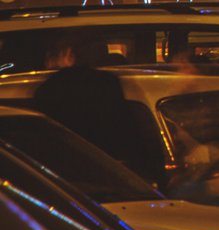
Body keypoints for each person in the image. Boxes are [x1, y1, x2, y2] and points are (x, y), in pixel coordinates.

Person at [33, 34, 149, 177]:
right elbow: (124, 126)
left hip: (63, 173)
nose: (48, 64)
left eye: (51, 56)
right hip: (111, 167)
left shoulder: (48, 89)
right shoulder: (108, 83)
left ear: (68, 55)